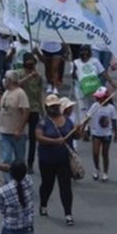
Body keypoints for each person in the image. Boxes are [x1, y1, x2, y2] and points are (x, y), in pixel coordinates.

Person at [35, 94, 80, 226]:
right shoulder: (43, 122)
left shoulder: (67, 120)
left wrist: (79, 129)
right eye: (51, 107)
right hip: (47, 160)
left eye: (55, 106)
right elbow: (39, 137)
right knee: (47, 185)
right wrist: (55, 141)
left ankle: (68, 214)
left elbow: (76, 136)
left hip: (64, 160)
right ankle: (43, 204)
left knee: (65, 187)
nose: (54, 108)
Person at [0, 162, 36, 234]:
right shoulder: (29, 181)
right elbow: (12, 169)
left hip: (10, 231)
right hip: (27, 229)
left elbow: (0, 209)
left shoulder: (3, 191)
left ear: (11, 173)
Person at [18, 55, 46, 171]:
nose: (30, 65)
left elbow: (39, 94)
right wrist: (28, 77)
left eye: (32, 63)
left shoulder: (39, 77)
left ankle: (30, 163)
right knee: (20, 136)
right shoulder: (19, 73)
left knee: (33, 138)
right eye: (28, 62)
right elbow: (17, 84)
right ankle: (19, 161)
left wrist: (42, 110)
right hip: (22, 108)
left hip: (34, 109)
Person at [0, 70, 30, 165]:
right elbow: (2, 108)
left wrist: (19, 129)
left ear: (10, 80)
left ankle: (20, 179)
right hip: (4, 132)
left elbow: (26, 111)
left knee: (19, 160)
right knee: (6, 159)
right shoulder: (6, 92)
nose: (4, 80)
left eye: (6, 78)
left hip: (16, 134)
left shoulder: (20, 93)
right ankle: (8, 180)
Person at [88, 88, 116, 182]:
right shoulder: (94, 106)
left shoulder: (111, 108)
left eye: (100, 97)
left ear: (105, 97)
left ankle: (105, 172)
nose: (98, 99)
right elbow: (88, 116)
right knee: (95, 153)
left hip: (107, 134)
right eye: (97, 97)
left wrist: (115, 133)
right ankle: (96, 168)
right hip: (96, 133)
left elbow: (114, 120)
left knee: (105, 153)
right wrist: (84, 127)